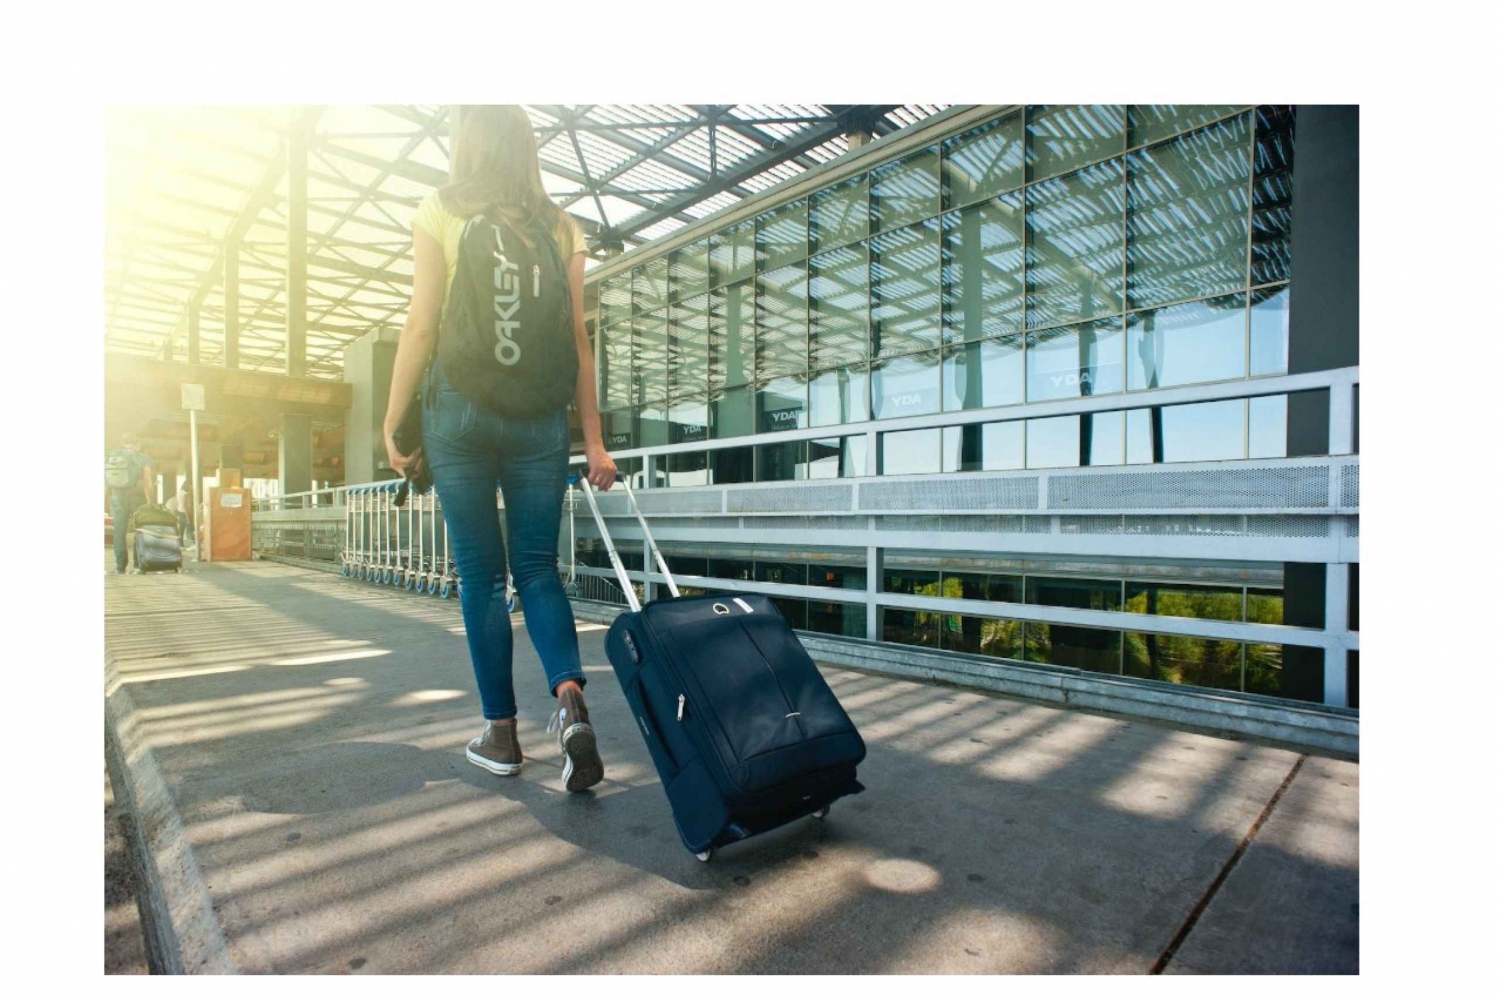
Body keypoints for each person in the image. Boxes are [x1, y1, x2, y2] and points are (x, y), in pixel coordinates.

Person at [383, 105, 618, 792]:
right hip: (539, 421)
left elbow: (422, 323)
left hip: (458, 413)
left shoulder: (442, 208)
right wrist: (595, 440)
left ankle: (501, 734)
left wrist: (395, 422)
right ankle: (571, 702)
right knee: (539, 568)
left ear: (468, 143)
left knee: (483, 576)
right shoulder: (560, 225)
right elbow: (579, 342)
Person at [105, 432, 153, 573]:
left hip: (117, 497)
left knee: (119, 532)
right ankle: (139, 564)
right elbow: (147, 481)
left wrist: (103, 502)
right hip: (137, 497)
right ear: (137, 444)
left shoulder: (110, 456)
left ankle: (120, 566)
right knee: (141, 531)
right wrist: (150, 501)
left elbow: (106, 481)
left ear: (122, 443)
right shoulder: (142, 458)